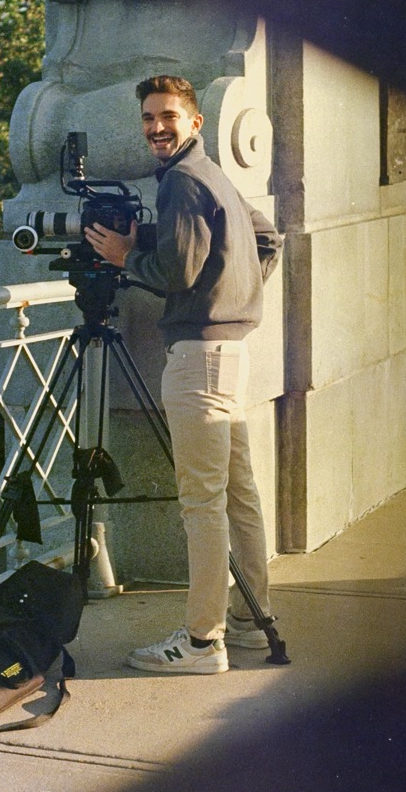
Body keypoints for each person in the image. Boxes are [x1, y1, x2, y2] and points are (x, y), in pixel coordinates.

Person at [84, 75, 282, 674]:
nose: (156, 128)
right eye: (148, 118)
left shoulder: (182, 182)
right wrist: (233, 291)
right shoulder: (214, 174)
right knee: (238, 495)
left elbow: (176, 274)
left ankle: (202, 643)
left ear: (195, 122)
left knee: (202, 503)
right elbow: (267, 238)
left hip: (199, 358)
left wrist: (124, 257)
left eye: (168, 116)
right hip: (230, 353)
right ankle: (249, 624)